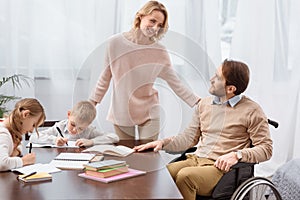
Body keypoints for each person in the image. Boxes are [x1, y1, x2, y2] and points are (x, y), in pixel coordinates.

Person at [134, 59, 273, 200]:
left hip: (221, 168)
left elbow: (266, 149)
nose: (211, 80)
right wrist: (163, 143)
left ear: (230, 89)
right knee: (165, 174)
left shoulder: (252, 111)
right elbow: (189, 138)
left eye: (217, 78)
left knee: (185, 177)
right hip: (197, 158)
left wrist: (236, 155)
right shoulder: (204, 104)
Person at [89, 1, 200, 140]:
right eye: (152, 21)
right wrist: (91, 103)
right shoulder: (115, 43)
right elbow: (105, 77)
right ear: (140, 16)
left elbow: (175, 82)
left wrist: (197, 101)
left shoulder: (159, 51)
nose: (155, 28)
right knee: (126, 156)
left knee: (148, 157)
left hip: (149, 111)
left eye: (160, 25)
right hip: (122, 110)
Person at [29, 100, 119, 147]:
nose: (75, 130)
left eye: (81, 128)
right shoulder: (59, 127)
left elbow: (114, 137)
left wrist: (91, 141)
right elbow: (33, 137)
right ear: (69, 114)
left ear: (88, 125)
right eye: (72, 124)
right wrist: (54, 140)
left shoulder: (89, 130)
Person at [0, 98, 46, 171]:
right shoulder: (3, 133)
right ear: (25, 114)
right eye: (33, 125)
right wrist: (24, 160)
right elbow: (2, 164)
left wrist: (15, 151)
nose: (31, 131)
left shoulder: (13, 132)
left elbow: (19, 145)